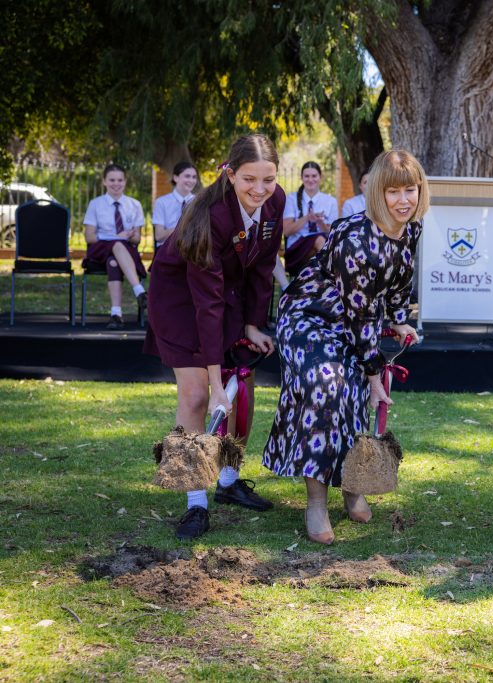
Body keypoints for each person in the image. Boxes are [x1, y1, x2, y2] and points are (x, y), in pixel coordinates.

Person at [262, 150, 426, 545]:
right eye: (393, 191)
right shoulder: (354, 238)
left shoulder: (411, 230)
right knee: (327, 387)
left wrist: (400, 317)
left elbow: (400, 283)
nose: (404, 200)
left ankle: (352, 485)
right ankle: (316, 502)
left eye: (411, 189)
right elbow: (360, 315)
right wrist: (374, 377)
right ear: (376, 193)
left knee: (350, 397)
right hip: (310, 320)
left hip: (354, 323)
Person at [144, 133, 285, 541]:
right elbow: (206, 305)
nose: (259, 190)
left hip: (229, 297)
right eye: (249, 180)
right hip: (181, 302)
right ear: (229, 173)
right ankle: (195, 503)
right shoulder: (210, 216)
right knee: (197, 396)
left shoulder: (275, 203)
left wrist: (253, 324)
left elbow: (263, 267)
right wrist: (211, 375)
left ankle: (228, 480)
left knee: (240, 388)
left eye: (268, 180)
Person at [82, 164, 148, 329]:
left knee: (114, 262)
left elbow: (137, 240)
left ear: (125, 182)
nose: (116, 184)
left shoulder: (135, 204)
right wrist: (115, 237)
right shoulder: (95, 204)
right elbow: (89, 237)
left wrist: (132, 235)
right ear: (104, 181)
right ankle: (139, 290)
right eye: (112, 180)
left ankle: (116, 315)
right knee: (117, 244)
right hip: (99, 248)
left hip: (126, 251)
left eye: (120, 180)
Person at [282, 161, 338, 277]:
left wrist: (319, 221)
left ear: (320, 177)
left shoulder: (330, 201)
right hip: (297, 249)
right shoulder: (291, 199)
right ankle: (333, 274)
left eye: (314, 176)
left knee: (322, 240)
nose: (310, 179)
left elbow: (331, 232)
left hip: (320, 247)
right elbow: (286, 231)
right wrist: (307, 218)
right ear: (301, 178)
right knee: (319, 239)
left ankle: (325, 275)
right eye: (306, 176)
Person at [152, 161, 199, 253]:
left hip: (192, 250)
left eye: (194, 177)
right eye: (187, 176)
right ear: (175, 178)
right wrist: (185, 228)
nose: (191, 180)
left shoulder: (199, 202)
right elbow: (159, 236)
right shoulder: (161, 202)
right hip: (167, 250)